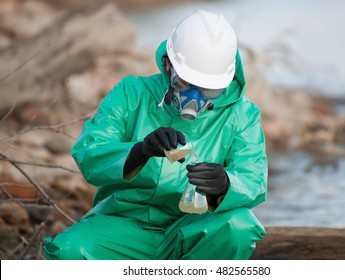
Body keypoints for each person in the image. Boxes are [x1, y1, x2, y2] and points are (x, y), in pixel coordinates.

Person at [43, 9, 268, 260]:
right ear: (168, 65)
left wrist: (226, 184)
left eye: (209, 90)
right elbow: (89, 153)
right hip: (124, 225)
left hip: (194, 229)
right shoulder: (131, 93)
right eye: (187, 84)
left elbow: (254, 178)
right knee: (68, 252)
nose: (196, 99)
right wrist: (139, 151)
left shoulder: (243, 115)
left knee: (240, 226)